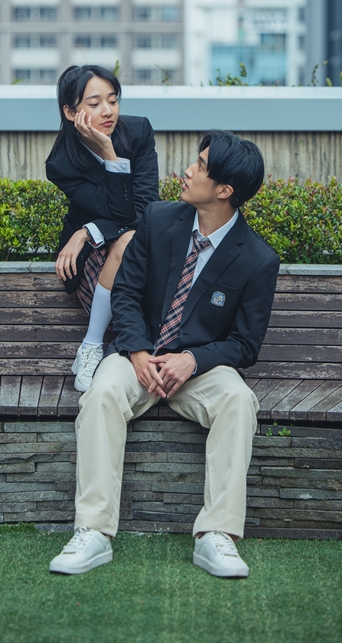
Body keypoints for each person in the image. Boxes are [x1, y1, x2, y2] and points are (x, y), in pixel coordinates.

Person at [49, 130, 280, 578]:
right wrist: (136, 351)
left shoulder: (257, 259)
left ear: (224, 191)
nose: (188, 170)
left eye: (201, 166)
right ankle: (93, 531)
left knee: (238, 400)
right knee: (101, 393)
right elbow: (126, 294)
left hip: (199, 369)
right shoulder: (158, 219)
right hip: (137, 357)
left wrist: (192, 360)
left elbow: (245, 344)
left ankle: (217, 535)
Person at [46, 64, 159, 391]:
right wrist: (90, 235)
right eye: (94, 104)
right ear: (71, 112)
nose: (108, 111)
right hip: (90, 259)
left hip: (123, 242)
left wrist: (85, 232)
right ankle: (92, 346)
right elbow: (119, 212)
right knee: (128, 239)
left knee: (131, 238)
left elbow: (143, 210)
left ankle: (104, 348)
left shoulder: (138, 132)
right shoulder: (61, 164)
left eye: (113, 100)